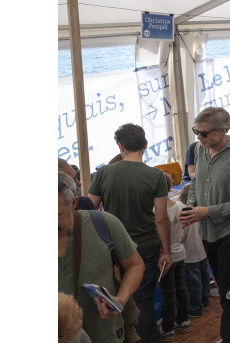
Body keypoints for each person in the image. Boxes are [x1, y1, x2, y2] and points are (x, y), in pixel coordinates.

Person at [88, 124, 171, 343]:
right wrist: (167, 251)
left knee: (115, 297)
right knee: (143, 300)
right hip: (145, 245)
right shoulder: (156, 176)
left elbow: (89, 209)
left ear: (120, 146)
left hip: (111, 247)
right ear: (145, 145)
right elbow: (161, 218)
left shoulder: (104, 173)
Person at [180, 107, 230, 343]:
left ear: (223, 130)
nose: (199, 138)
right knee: (226, 286)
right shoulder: (199, 151)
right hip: (207, 233)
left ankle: (229, 337)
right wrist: (192, 205)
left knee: (228, 291)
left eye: (203, 133)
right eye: (196, 132)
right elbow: (197, 184)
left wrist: (207, 211)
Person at [58, 172, 143, 343]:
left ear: (74, 202)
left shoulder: (103, 224)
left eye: (56, 215)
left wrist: (120, 299)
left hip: (105, 335)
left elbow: (135, 265)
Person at [157, 175, 191, 340]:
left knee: (168, 293)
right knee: (181, 288)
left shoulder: (156, 211)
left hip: (166, 256)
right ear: (170, 188)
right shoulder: (179, 205)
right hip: (180, 252)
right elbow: (183, 232)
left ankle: (167, 328)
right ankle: (184, 320)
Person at [178, 185, 210, 320]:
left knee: (193, 284)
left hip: (190, 255)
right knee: (204, 278)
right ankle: (205, 300)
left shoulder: (184, 216)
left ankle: (195, 309)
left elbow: (182, 238)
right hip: (203, 252)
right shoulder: (201, 212)